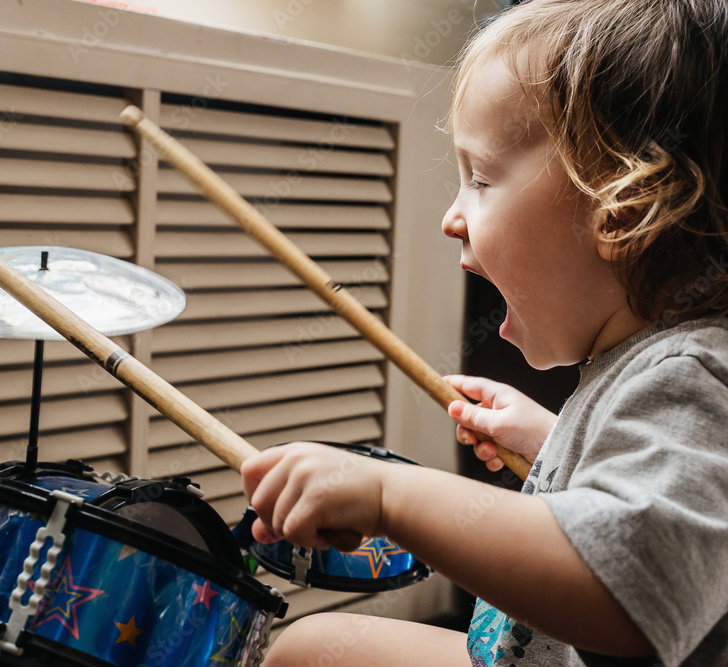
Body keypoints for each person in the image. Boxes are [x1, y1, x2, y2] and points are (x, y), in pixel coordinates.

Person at [240, 0, 728, 664]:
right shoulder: (655, 371)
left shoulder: (692, 375)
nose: (451, 216)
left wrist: (391, 496)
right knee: (312, 647)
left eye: (479, 178)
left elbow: (631, 589)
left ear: (623, 210)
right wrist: (555, 440)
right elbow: (656, 489)